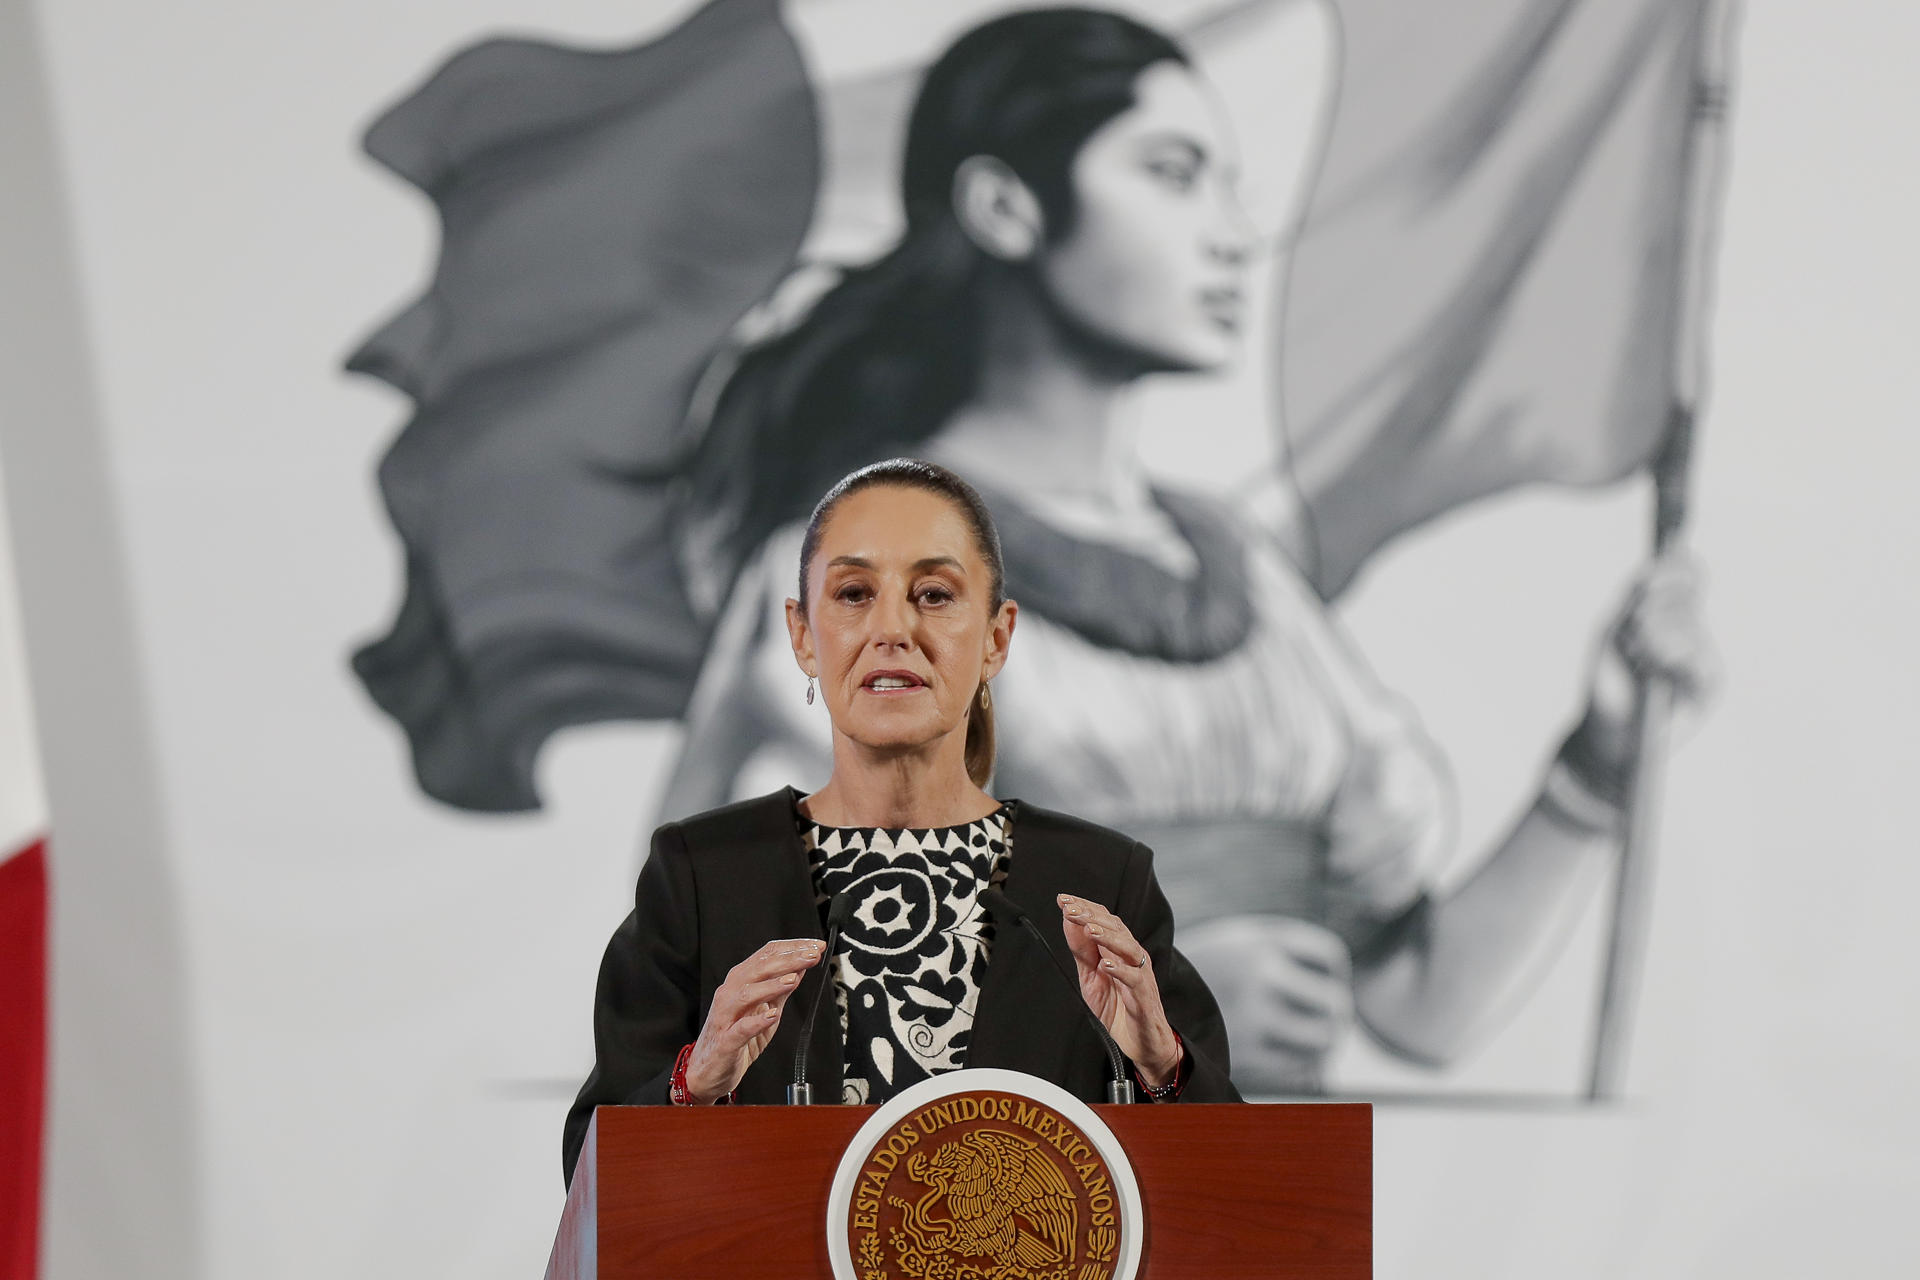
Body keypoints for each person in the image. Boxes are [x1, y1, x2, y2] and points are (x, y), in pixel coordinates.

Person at [658, 7, 1715, 1095]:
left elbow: (1417, 1003)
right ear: (1005, 206)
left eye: (1227, 183)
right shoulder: (860, 579)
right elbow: (766, 1017)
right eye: (1172, 173)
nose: (1230, 232)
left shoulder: (1249, 581)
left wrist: (1597, 762)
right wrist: (1144, 1007)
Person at [563, 459, 1239, 1186]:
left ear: (996, 638)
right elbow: (593, 1179)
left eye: (935, 594)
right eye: (854, 593)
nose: (892, 628)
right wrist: (693, 1083)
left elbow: (1228, 1186)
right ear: (801, 635)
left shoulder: (1102, 882)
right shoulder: (702, 875)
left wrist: (1163, 1067)